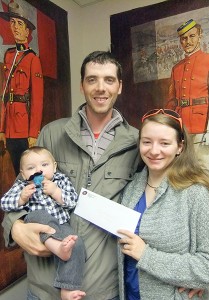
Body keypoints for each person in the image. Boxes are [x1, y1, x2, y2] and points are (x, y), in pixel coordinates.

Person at [2, 51, 140, 300]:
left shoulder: (137, 143)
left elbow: (157, 203)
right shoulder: (53, 133)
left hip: (103, 289)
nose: (100, 88)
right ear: (82, 85)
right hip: (46, 288)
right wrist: (14, 228)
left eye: (109, 80)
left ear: (120, 86)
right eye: (92, 79)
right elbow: (20, 189)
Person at [118, 108, 209, 299]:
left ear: (180, 147)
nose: (154, 151)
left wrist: (146, 255)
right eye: (147, 142)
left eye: (165, 143)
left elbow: (206, 267)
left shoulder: (196, 193)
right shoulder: (131, 188)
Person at [1, 146, 86, 300]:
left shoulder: (61, 180)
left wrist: (56, 192)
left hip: (61, 226)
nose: (38, 170)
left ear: (54, 166)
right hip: (38, 226)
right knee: (39, 214)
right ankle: (58, 248)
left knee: (77, 243)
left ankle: (67, 288)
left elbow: (73, 201)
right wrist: (21, 198)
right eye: (31, 168)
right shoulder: (22, 186)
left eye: (44, 165)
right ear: (23, 174)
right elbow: (4, 203)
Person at [0, 1, 43, 175]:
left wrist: (33, 133)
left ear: (27, 31)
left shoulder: (33, 59)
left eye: (20, 23)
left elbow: (37, 99)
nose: (15, 27)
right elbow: (4, 94)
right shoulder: (9, 55)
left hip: (24, 127)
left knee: (27, 172)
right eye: (12, 22)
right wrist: (1, 129)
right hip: (9, 125)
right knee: (15, 170)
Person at [166, 19, 209, 165]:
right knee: (184, 173)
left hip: (203, 128)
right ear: (180, 41)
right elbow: (171, 102)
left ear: (200, 36)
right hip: (182, 129)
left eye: (192, 36)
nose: (188, 41)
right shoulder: (176, 68)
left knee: (204, 171)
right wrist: (171, 129)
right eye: (184, 38)